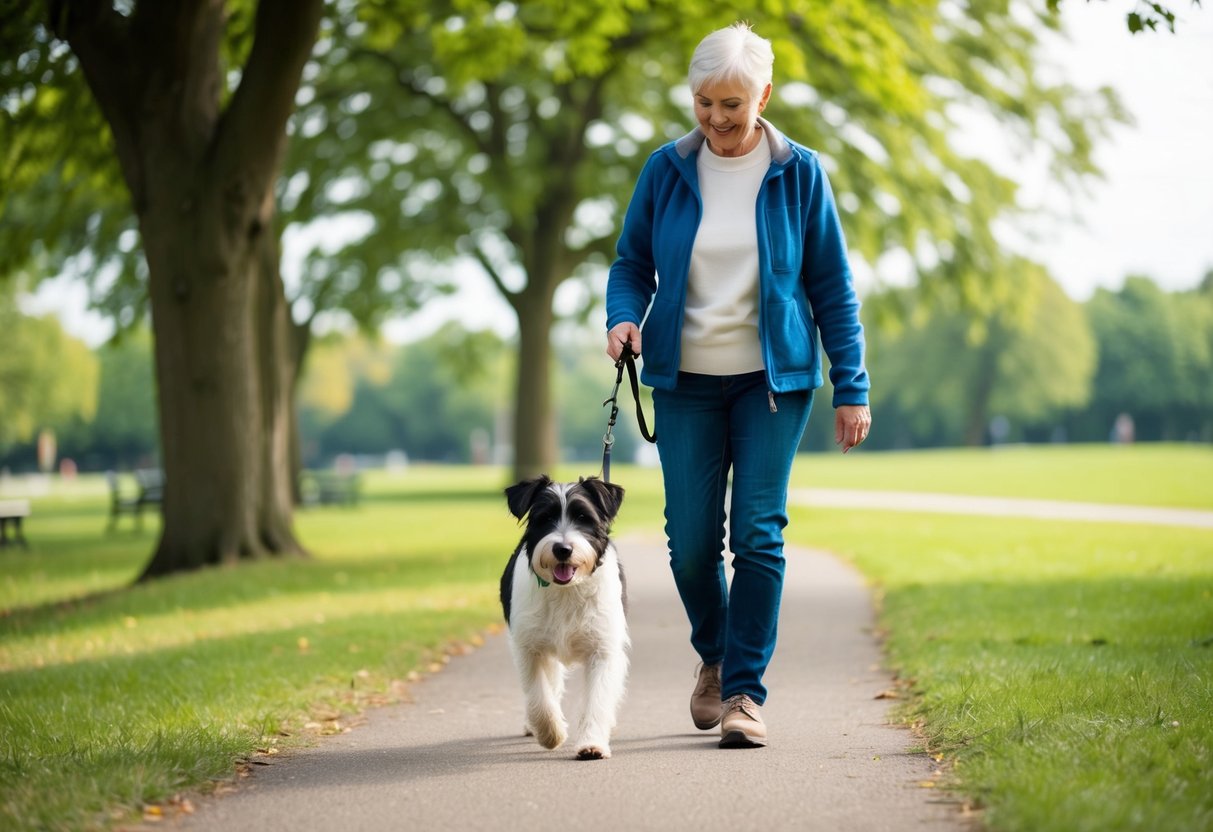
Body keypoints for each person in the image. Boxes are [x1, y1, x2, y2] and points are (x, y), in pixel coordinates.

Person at [604, 22, 871, 748]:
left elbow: (832, 288)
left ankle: (745, 693)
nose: (718, 120)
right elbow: (631, 264)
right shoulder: (666, 169)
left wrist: (852, 387)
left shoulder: (799, 172)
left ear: (764, 96)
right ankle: (715, 656)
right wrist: (623, 317)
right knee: (689, 543)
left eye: (732, 104)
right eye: (703, 103)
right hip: (683, 379)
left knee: (757, 534)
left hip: (772, 383)